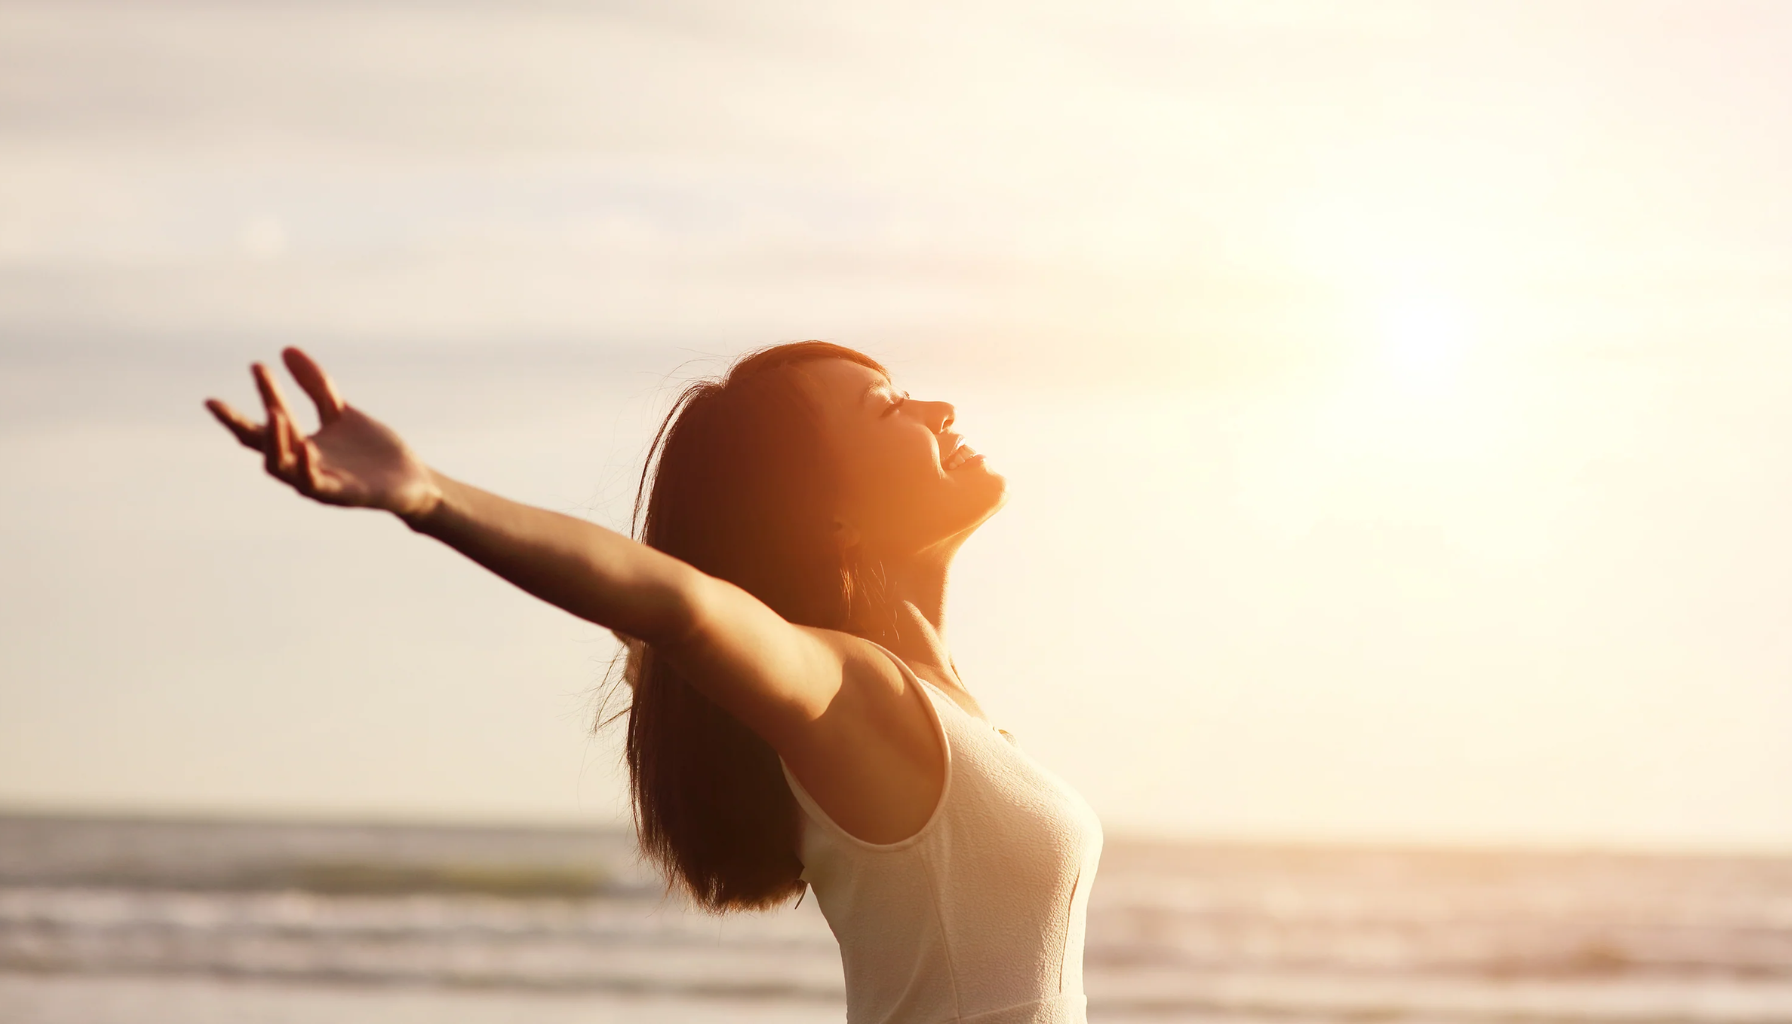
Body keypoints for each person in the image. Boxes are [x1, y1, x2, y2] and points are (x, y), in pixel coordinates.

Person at [206, 342, 1103, 1023]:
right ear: (825, 510)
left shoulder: (932, 704)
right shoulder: (852, 692)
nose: (938, 408)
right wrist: (428, 496)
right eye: (891, 408)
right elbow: (682, 607)